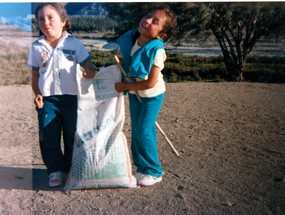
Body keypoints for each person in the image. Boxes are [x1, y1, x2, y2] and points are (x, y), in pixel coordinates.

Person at [27, 3, 95, 187]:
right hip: (47, 99)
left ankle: (72, 168)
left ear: (63, 21)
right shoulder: (36, 47)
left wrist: (89, 71)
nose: (45, 22)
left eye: (51, 17)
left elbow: (89, 64)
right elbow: (34, 76)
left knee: (72, 134)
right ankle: (55, 169)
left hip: (72, 98)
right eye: (41, 19)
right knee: (48, 134)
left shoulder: (74, 44)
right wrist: (37, 94)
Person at [115, 8, 177, 186]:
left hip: (151, 96)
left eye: (155, 22)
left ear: (162, 35)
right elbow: (133, 65)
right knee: (137, 130)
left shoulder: (157, 51)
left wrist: (125, 86)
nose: (148, 21)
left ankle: (155, 171)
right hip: (136, 93)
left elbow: (150, 83)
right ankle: (141, 168)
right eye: (149, 16)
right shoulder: (135, 41)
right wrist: (122, 64)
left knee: (144, 130)